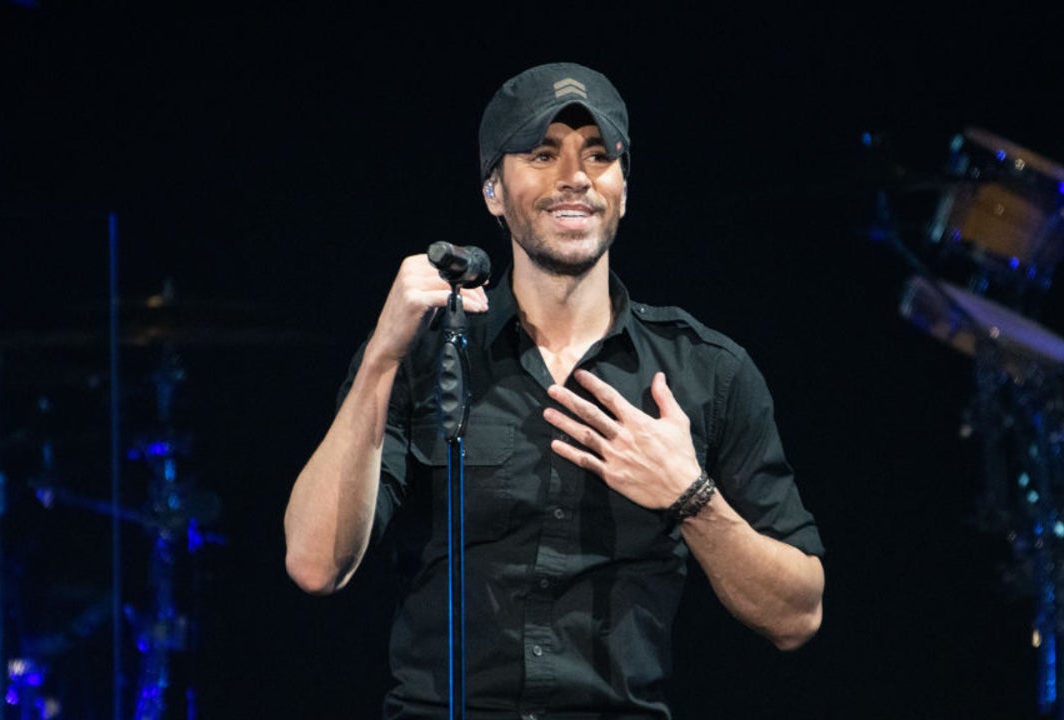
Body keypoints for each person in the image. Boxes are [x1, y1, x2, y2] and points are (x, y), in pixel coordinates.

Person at [283, 61, 825, 719]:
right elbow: (316, 565)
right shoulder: (425, 351)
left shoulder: (706, 372)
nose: (576, 176)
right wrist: (381, 358)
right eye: (542, 155)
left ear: (624, 189)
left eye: (599, 156)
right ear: (493, 190)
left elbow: (798, 614)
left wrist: (690, 495)